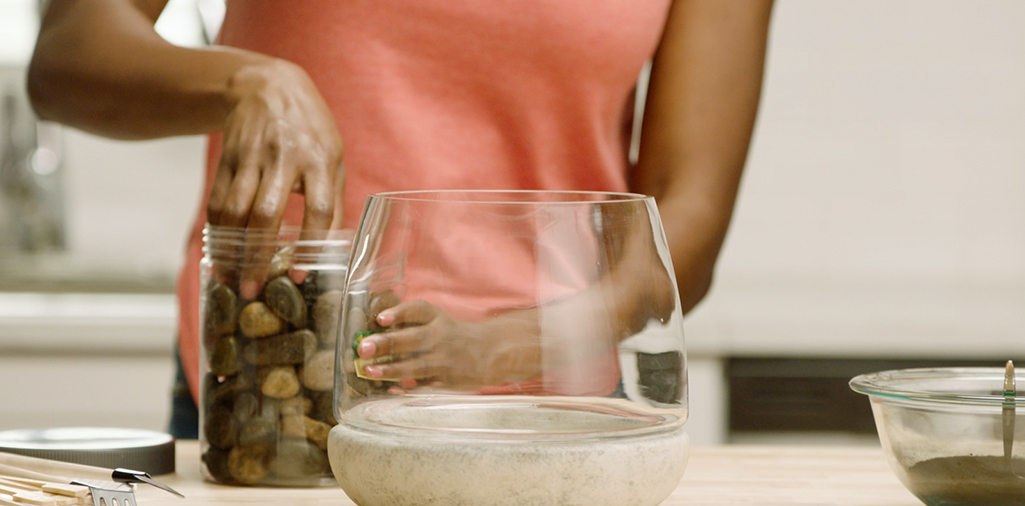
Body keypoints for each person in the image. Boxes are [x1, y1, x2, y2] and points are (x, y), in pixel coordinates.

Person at [27, 0, 774, 438]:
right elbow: (68, 53)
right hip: (278, 388)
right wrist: (245, 80)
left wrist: (497, 348)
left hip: (556, 411)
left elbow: (686, 226)